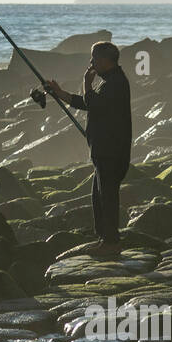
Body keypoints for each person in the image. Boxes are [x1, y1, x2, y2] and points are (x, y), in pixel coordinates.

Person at [45, 41, 132, 256]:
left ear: (104, 60)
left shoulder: (116, 83)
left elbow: (92, 102)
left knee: (108, 197)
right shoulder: (109, 82)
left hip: (111, 152)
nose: (91, 63)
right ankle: (106, 239)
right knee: (99, 197)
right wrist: (59, 93)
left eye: (93, 59)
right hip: (103, 151)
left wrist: (86, 82)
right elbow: (85, 103)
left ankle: (112, 243)